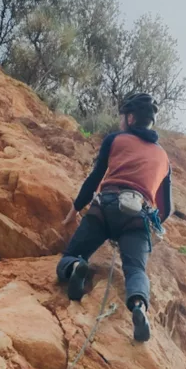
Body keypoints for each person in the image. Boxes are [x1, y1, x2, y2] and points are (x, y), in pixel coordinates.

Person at [57, 92, 173, 342]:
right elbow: (166, 208)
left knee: (70, 255)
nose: (121, 121)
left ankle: (77, 267)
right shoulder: (163, 158)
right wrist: (150, 227)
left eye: (123, 116)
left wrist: (74, 210)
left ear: (130, 118)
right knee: (135, 269)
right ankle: (139, 306)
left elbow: (95, 178)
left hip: (104, 207)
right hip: (137, 215)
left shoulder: (115, 139)